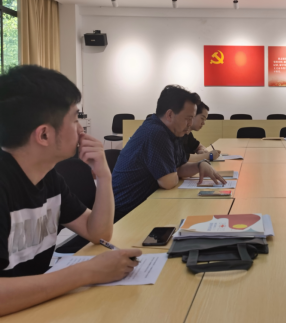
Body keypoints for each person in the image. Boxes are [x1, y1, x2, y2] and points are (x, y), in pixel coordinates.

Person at [0, 65, 141, 317]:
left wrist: (104, 176)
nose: (81, 129)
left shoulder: (48, 176)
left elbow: (98, 233)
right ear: (44, 134)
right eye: (75, 119)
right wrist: (88, 272)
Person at [112, 86, 226, 220]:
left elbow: (179, 168)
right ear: (170, 115)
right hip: (126, 215)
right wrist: (175, 171)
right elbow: (169, 182)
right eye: (188, 118)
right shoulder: (156, 132)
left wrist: (199, 165)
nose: (190, 124)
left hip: (145, 205)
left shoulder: (173, 132)